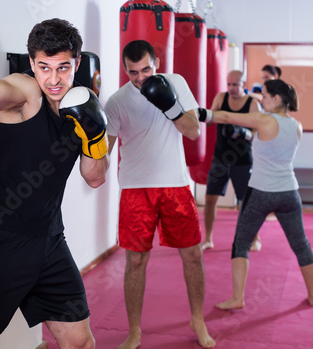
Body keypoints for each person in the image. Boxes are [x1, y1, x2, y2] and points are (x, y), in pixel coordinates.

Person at [0, 18, 109, 349]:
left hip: (51, 243)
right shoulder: (26, 93)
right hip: (2, 243)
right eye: (44, 67)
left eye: (63, 67)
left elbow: (95, 177)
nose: (54, 79)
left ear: (78, 63)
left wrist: (96, 137)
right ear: (31, 63)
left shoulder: (82, 108)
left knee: (81, 342)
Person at [104, 40, 216, 349]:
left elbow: (193, 131)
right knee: (136, 261)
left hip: (175, 185)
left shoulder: (176, 82)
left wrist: (171, 106)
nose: (140, 78)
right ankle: (135, 331)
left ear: (157, 62)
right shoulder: (116, 102)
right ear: (125, 69)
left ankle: (197, 320)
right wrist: (86, 134)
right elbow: (105, 154)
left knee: (193, 255)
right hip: (135, 189)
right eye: (133, 72)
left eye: (146, 69)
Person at [198, 79, 313, 309]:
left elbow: (227, 117)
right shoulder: (297, 126)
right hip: (290, 193)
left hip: (261, 193)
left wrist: (198, 112)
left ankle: (237, 298)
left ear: (277, 99)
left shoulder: (264, 120)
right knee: (302, 246)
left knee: (240, 244)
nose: (262, 100)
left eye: (266, 96)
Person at [202, 70, 261, 251]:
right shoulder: (221, 98)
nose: (231, 89)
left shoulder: (252, 104)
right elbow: (210, 120)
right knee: (210, 198)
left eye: (235, 85)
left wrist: (243, 132)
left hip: (243, 160)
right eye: (229, 84)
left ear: (244, 84)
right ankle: (208, 239)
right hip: (220, 158)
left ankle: (254, 239)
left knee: (247, 201)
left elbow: (257, 133)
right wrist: (203, 113)